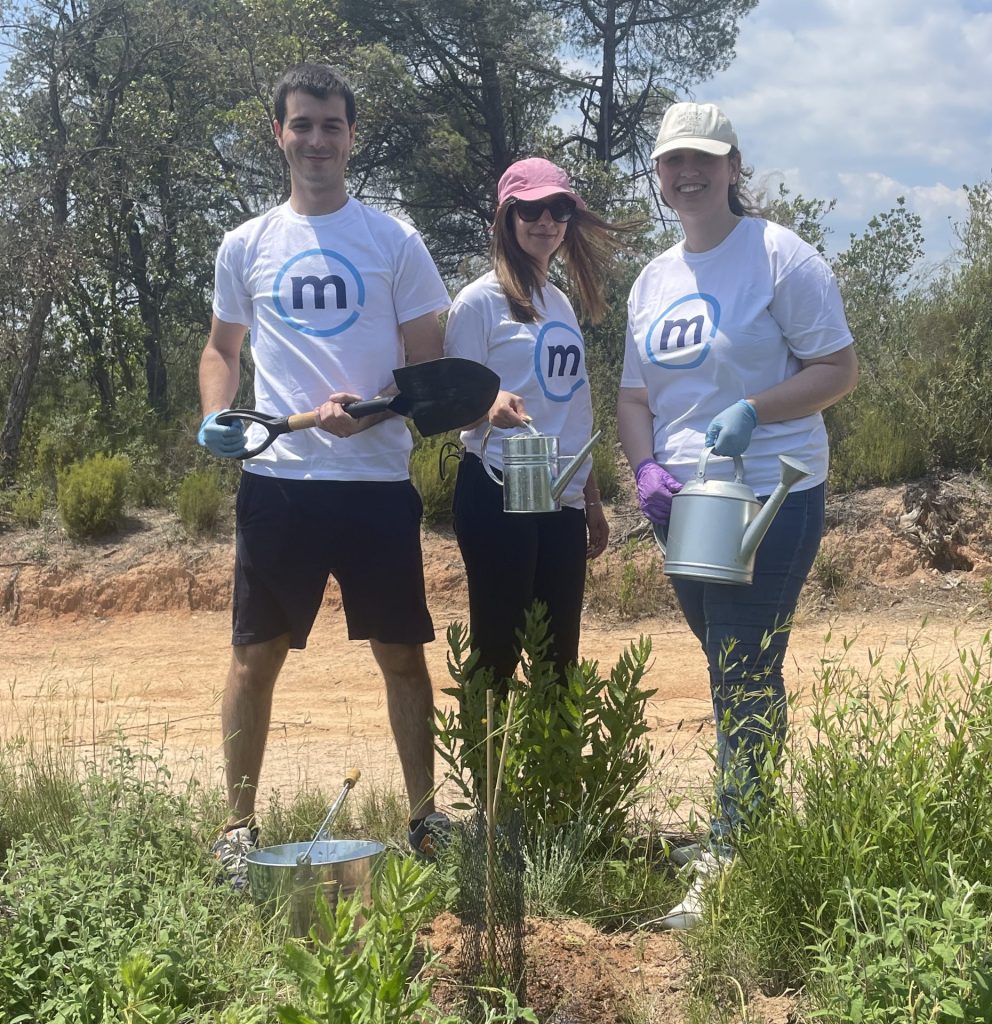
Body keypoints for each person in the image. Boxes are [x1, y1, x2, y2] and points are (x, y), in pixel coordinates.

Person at [196, 63, 453, 888]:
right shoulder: (247, 244)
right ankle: (238, 830)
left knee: (405, 657)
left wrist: (374, 412)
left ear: (352, 137)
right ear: (279, 134)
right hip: (279, 486)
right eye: (301, 124)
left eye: (331, 125)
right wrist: (219, 415)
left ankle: (424, 820)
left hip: (377, 485)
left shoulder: (393, 241)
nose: (316, 139)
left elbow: (430, 368)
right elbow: (220, 350)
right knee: (253, 657)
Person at [617, 102, 858, 928]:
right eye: (672, 162)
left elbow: (837, 368)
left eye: (704, 160)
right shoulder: (652, 280)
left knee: (746, 661)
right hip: (683, 502)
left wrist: (755, 407)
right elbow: (634, 394)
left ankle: (735, 848)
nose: (688, 175)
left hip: (770, 489)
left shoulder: (779, 256)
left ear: (732, 167)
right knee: (726, 660)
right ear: (658, 174)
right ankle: (741, 818)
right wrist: (644, 462)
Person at [444, 157, 630, 696]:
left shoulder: (561, 303)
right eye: (530, 208)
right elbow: (453, 403)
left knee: (558, 658)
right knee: (497, 652)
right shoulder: (479, 301)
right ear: (506, 217)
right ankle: (490, 780)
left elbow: (569, 410)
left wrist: (590, 499)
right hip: (500, 486)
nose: (545, 220)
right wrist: (488, 405)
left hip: (561, 497)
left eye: (559, 208)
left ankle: (552, 782)